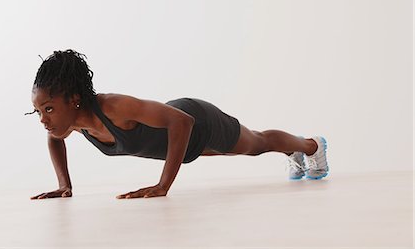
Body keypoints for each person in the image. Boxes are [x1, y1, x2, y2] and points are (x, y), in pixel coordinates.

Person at [27, 49, 329, 200]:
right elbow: (55, 139)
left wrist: (163, 186)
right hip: (179, 148)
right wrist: (64, 186)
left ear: (74, 99)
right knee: (232, 152)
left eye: (49, 109)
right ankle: (299, 151)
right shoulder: (70, 124)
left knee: (256, 145)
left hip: (197, 122)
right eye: (39, 111)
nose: (44, 119)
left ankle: (311, 146)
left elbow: (181, 121)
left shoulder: (114, 107)